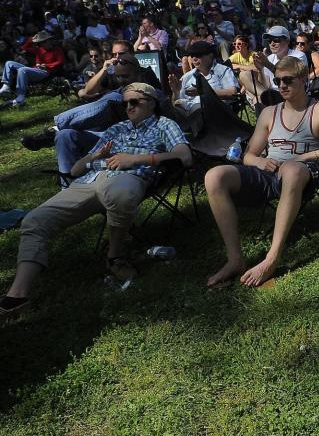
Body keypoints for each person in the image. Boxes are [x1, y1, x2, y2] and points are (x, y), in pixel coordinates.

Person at [0, 83, 192, 318]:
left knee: (120, 195)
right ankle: (18, 294)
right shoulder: (116, 128)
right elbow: (74, 170)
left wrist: (136, 159)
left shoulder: (165, 124)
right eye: (125, 104)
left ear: (151, 102)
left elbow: (185, 156)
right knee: (34, 220)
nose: (128, 107)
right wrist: (95, 155)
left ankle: (115, 256)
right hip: (89, 180)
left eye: (134, 102)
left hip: (128, 176)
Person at [204, 57, 319, 288]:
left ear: (303, 80)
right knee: (214, 176)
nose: (281, 85)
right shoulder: (269, 113)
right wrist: (260, 163)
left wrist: (304, 157)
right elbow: (250, 155)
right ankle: (235, 259)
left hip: (301, 173)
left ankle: (272, 258)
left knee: (292, 169)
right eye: (277, 80)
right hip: (268, 172)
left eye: (288, 80)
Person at [1, 30, 65, 108]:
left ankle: (21, 96)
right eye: (43, 42)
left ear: (50, 41)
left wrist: (47, 65)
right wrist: (31, 39)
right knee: (9, 63)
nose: (45, 43)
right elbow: (24, 47)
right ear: (40, 43)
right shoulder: (38, 49)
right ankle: (6, 86)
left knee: (22, 70)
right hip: (35, 69)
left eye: (47, 41)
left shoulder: (57, 50)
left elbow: (60, 61)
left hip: (45, 72)